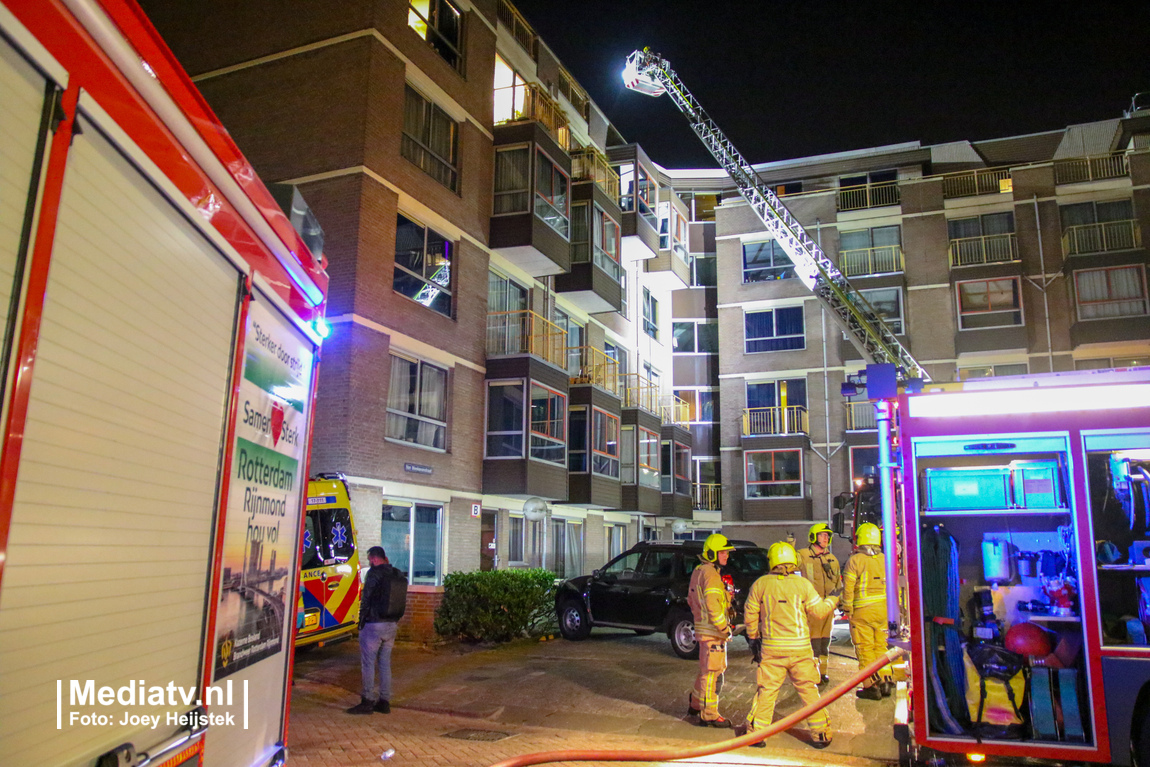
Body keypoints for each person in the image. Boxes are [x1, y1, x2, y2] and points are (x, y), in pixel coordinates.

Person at [743, 541, 839, 749]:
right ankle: (821, 733)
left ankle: (757, 734)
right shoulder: (802, 584)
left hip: (772, 649)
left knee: (767, 691)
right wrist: (833, 599)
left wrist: (753, 639)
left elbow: (750, 614)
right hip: (800, 650)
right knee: (808, 690)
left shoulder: (760, 584)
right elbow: (820, 611)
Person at [686, 533, 735, 727]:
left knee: (706, 670)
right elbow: (713, 604)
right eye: (723, 552)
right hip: (713, 632)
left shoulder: (699, 571)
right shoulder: (711, 574)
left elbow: (692, 600)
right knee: (713, 674)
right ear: (713, 553)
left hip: (704, 630)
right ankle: (709, 714)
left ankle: (696, 704)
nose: (726, 556)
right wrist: (724, 627)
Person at [347, 546, 400, 715]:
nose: (370, 562)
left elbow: (366, 598)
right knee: (385, 664)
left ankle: (367, 700)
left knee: (368, 664)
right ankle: (384, 701)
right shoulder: (397, 574)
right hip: (391, 624)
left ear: (375, 559)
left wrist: (361, 621)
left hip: (374, 625)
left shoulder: (374, 573)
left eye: (370, 559)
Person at [842, 523, 893, 700]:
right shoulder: (885, 559)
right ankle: (886, 681)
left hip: (862, 612)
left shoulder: (855, 561)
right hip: (884, 611)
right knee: (881, 647)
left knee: (865, 649)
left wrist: (847, 607)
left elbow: (848, 588)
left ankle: (871, 686)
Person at [797, 522, 840, 685]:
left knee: (824, 642)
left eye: (827, 535)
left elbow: (837, 583)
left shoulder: (832, 559)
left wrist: (838, 602)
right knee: (813, 642)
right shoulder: (802, 555)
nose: (826, 538)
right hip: (811, 608)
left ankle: (822, 673)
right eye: (822, 535)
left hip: (828, 607)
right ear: (813, 537)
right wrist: (789, 545)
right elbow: (789, 565)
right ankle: (812, 674)